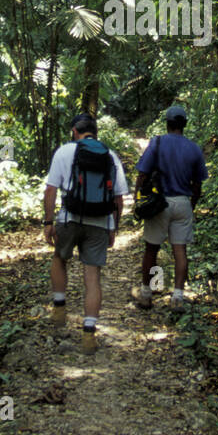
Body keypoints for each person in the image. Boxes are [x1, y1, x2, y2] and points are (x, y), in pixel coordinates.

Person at [43, 113, 129, 352]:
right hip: (100, 222)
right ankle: (89, 334)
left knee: (59, 258)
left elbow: (50, 190)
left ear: (74, 131)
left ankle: (59, 310)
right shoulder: (110, 155)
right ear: (95, 132)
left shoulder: (63, 152)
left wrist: (48, 222)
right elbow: (119, 198)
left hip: (70, 218)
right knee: (92, 276)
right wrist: (114, 226)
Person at [135, 105, 208, 311]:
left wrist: (138, 199)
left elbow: (142, 174)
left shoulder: (157, 143)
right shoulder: (194, 148)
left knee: (151, 249)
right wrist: (191, 206)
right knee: (180, 251)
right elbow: (198, 184)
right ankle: (177, 297)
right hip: (183, 202)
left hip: (160, 203)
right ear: (184, 125)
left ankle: (146, 295)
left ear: (167, 124)